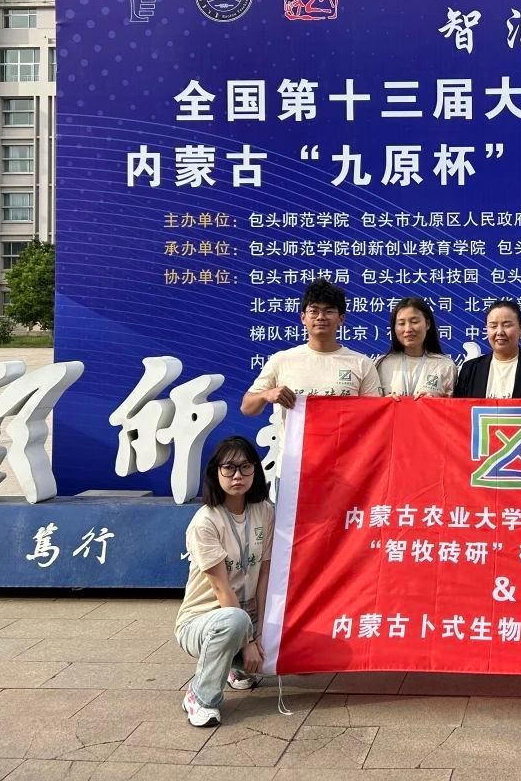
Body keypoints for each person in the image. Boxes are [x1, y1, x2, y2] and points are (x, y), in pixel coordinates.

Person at [175, 436, 275, 727]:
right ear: (215, 472)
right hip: (204, 621)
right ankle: (200, 697)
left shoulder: (264, 511)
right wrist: (249, 640)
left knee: (287, 649)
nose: (237, 476)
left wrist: (263, 631)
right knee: (234, 621)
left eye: (245, 467)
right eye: (229, 468)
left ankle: (235, 667)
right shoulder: (205, 522)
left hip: (247, 618)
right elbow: (221, 588)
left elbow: (264, 575)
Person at [240, 277, 381, 431]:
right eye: (314, 311)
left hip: (345, 446)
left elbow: (376, 417)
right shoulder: (281, 360)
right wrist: (266, 395)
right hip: (295, 447)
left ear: (341, 319)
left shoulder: (361, 363)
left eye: (329, 311)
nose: (321, 317)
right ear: (303, 317)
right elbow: (247, 408)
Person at [455, 299, 521, 398]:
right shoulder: (470, 369)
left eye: (507, 325)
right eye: (493, 326)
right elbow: (459, 408)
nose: (500, 332)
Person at [375, 296, 457, 398]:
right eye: (401, 323)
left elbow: (453, 406)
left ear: (427, 324)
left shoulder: (445, 366)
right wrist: (385, 401)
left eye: (414, 322)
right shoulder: (382, 364)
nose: (408, 329)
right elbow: (370, 404)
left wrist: (434, 402)